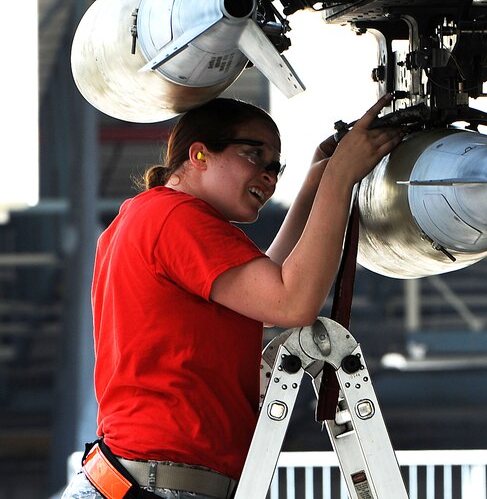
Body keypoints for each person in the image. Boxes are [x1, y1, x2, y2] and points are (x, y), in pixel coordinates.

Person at [61, 96, 402, 499]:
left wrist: (314, 184)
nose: (269, 176)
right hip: (160, 484)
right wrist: (340, 178)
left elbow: (268, 294)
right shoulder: (178, 218)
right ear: (199, 154)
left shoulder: (147, 216)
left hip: (139, 480)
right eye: (254, 156)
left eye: (276, 167)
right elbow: (292, 302)